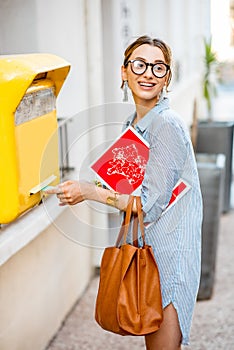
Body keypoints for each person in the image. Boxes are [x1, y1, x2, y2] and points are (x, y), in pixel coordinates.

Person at [45, 35, 203, 349]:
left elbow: (145, 204)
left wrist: (88, 192)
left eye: (159, 68)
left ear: (167, 78)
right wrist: (76, 186)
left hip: (170, 255)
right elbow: (124, 185)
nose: (148, 74)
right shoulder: (134, 122)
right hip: (148, 250)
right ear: (124, 71)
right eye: (140, 65)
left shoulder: (166, 125)